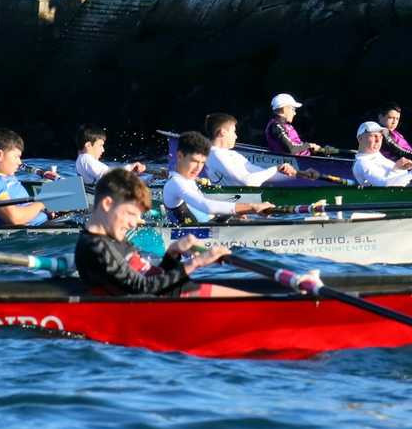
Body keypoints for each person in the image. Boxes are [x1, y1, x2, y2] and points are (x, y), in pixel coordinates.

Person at [76, 169, 248, 298]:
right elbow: (143, 288)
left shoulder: (113, 237)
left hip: (176, 292)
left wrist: (173, 253)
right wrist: (197, 262)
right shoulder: (96, 246)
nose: (136, 222)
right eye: (131, 213)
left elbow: (153, 277)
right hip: (174, 301)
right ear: (107, 204)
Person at [163, 131, 275, 223]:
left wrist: (233, 214)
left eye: (202, 162)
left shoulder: (188, 181)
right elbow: (206, 206)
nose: (198, 168)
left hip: (204, 231)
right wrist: (252, 207)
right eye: (194, 161)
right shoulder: (176, 183)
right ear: (180, 156)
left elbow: (206, 216)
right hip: (188, 241)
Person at [0, 128, 55, 227]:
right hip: (30, 233)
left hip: (45, 221)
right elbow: (15, 218)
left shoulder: (5, 174)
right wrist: (42, 203)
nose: (19, 162)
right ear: (0, 155)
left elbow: (25, 207)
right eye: (16, 156)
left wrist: (46, 209)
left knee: (72, 191)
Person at [204, 112, 299, 186]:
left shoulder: (231, 155)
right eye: (233, 132)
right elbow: (248, 182)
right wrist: (275, 168)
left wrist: (299, 175)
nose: (236, 136)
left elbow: (260, 173)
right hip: (232, 207)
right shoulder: (216, 155)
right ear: (223, 132)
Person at [74, 124, 145, 186]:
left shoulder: (81, 160)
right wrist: (129, 167)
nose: (103, 150)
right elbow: (108, 176)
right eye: (100, 145)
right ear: (88, 145)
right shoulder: (86, 158)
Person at [352, 121, 412, 187]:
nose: (378, 140)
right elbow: (384, 185)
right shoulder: (361, 163)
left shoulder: (377, 156)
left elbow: (398, 178)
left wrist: (404, 169)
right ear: (360, 138)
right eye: (374, 136)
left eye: (380, 136)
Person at [264, 93, 315, 157]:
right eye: (293, 109)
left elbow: (297, 145)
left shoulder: (287, 126)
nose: (295, 113)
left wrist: (312, 148)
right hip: (294, 164)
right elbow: (291, 148)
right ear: (284, 109)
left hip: (305, 160)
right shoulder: (276, 126)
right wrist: (309, 145)